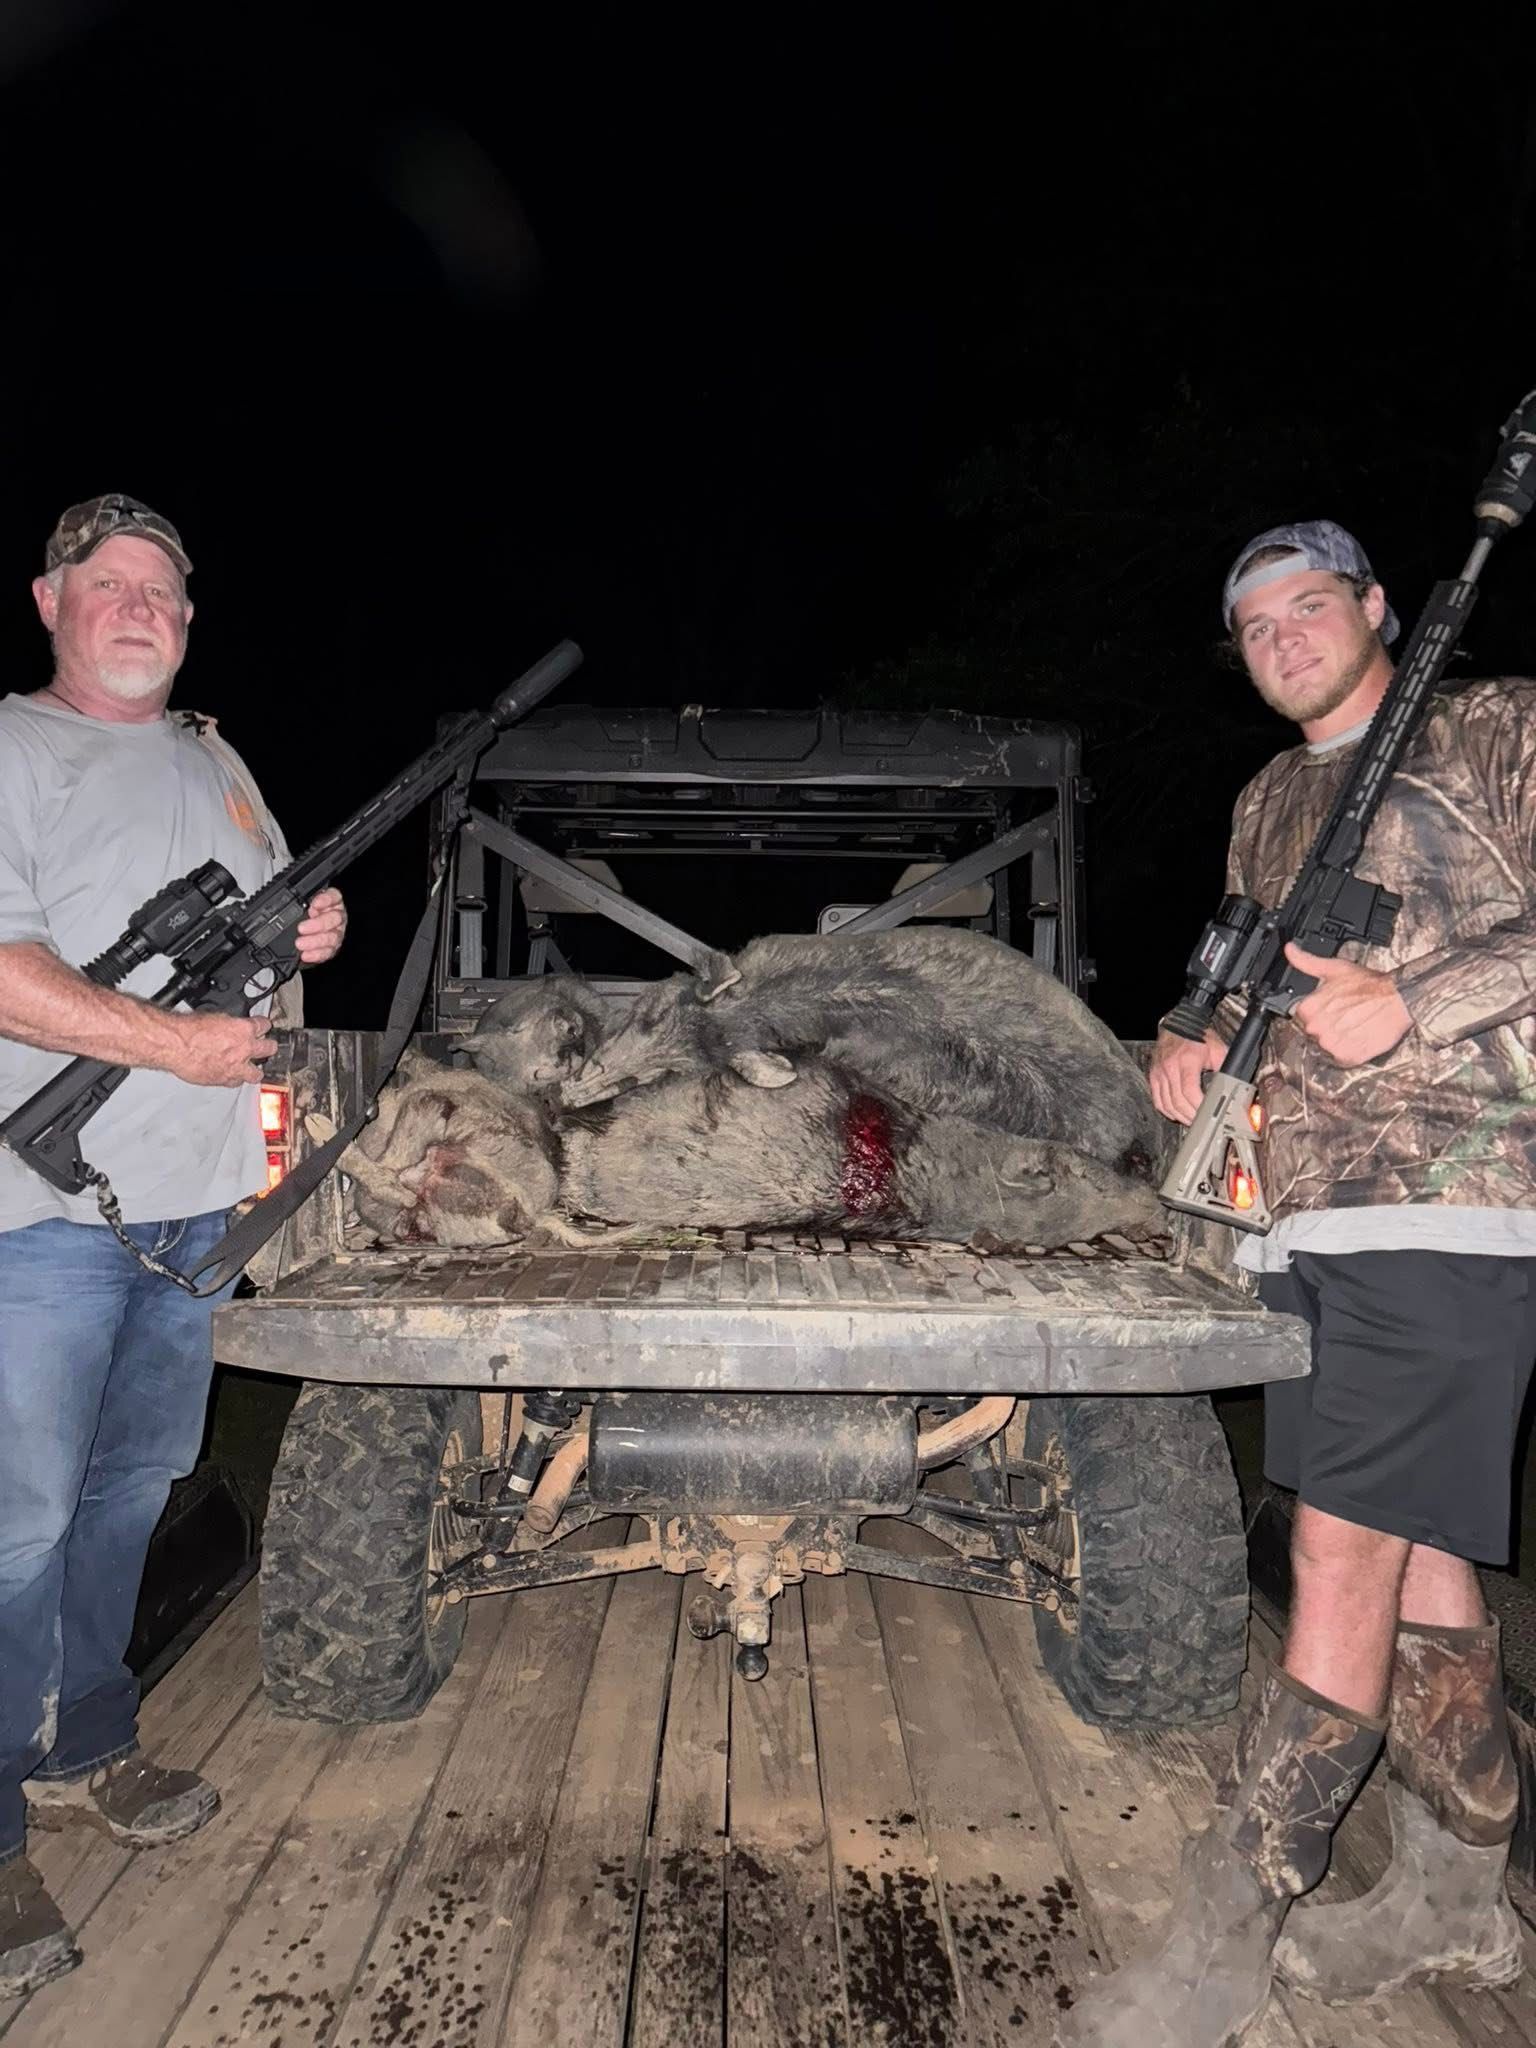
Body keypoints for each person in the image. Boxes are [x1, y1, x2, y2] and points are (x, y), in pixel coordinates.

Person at [1061, 519, 1535, 2046]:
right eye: (1255, 623)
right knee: (1421, 1554)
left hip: (1453, 1202)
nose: (1284, 637)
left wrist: (1423, 999)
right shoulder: (1270, 801)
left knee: (1334, 1558)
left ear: (1378, 608)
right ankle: (1465, 1898)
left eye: (1311, 605)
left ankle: (1228, 1927)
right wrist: (1190, 1040)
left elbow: (1421, 985)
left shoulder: (1492, 725)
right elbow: (1247, 983)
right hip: (1303, 1219)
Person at [0, 495, 347, 1998]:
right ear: (50, 601)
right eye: (110, 585)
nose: (140, 606)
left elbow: (247, 948)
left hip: (190, 1218)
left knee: (130, 1497)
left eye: (164, 592)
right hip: (44, 1222)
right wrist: (173, 1045)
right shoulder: (11, 750)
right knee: (13, 1523)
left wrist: (304, 931)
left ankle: (90, 1747)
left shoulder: (214, 756)